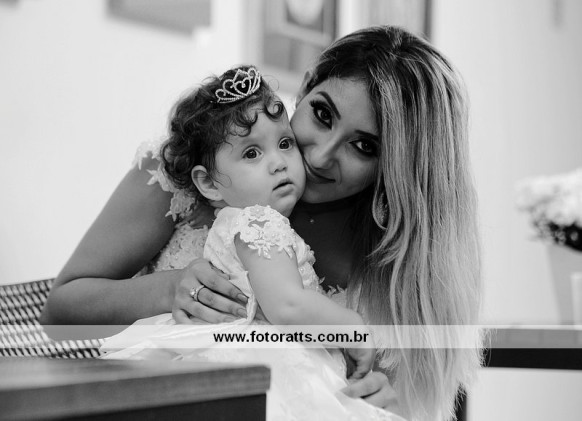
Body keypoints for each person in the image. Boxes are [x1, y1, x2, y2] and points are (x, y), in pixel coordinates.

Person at [41, 26, 482, 421]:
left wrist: (386, 401)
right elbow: (59, 313)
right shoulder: (185, 168)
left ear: (397, 170)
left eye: (364, 146)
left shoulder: (395, 254)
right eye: (322, 114)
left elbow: (409, 397)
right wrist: (170, 290)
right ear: (304, 88)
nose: (321, 155)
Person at [99, 65, 403, 421]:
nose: (278, 164)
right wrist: (351, 327)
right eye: (252, 154)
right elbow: (287, 305)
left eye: (284, 144)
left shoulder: (248, 220)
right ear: (208, 183)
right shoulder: (259, 221)